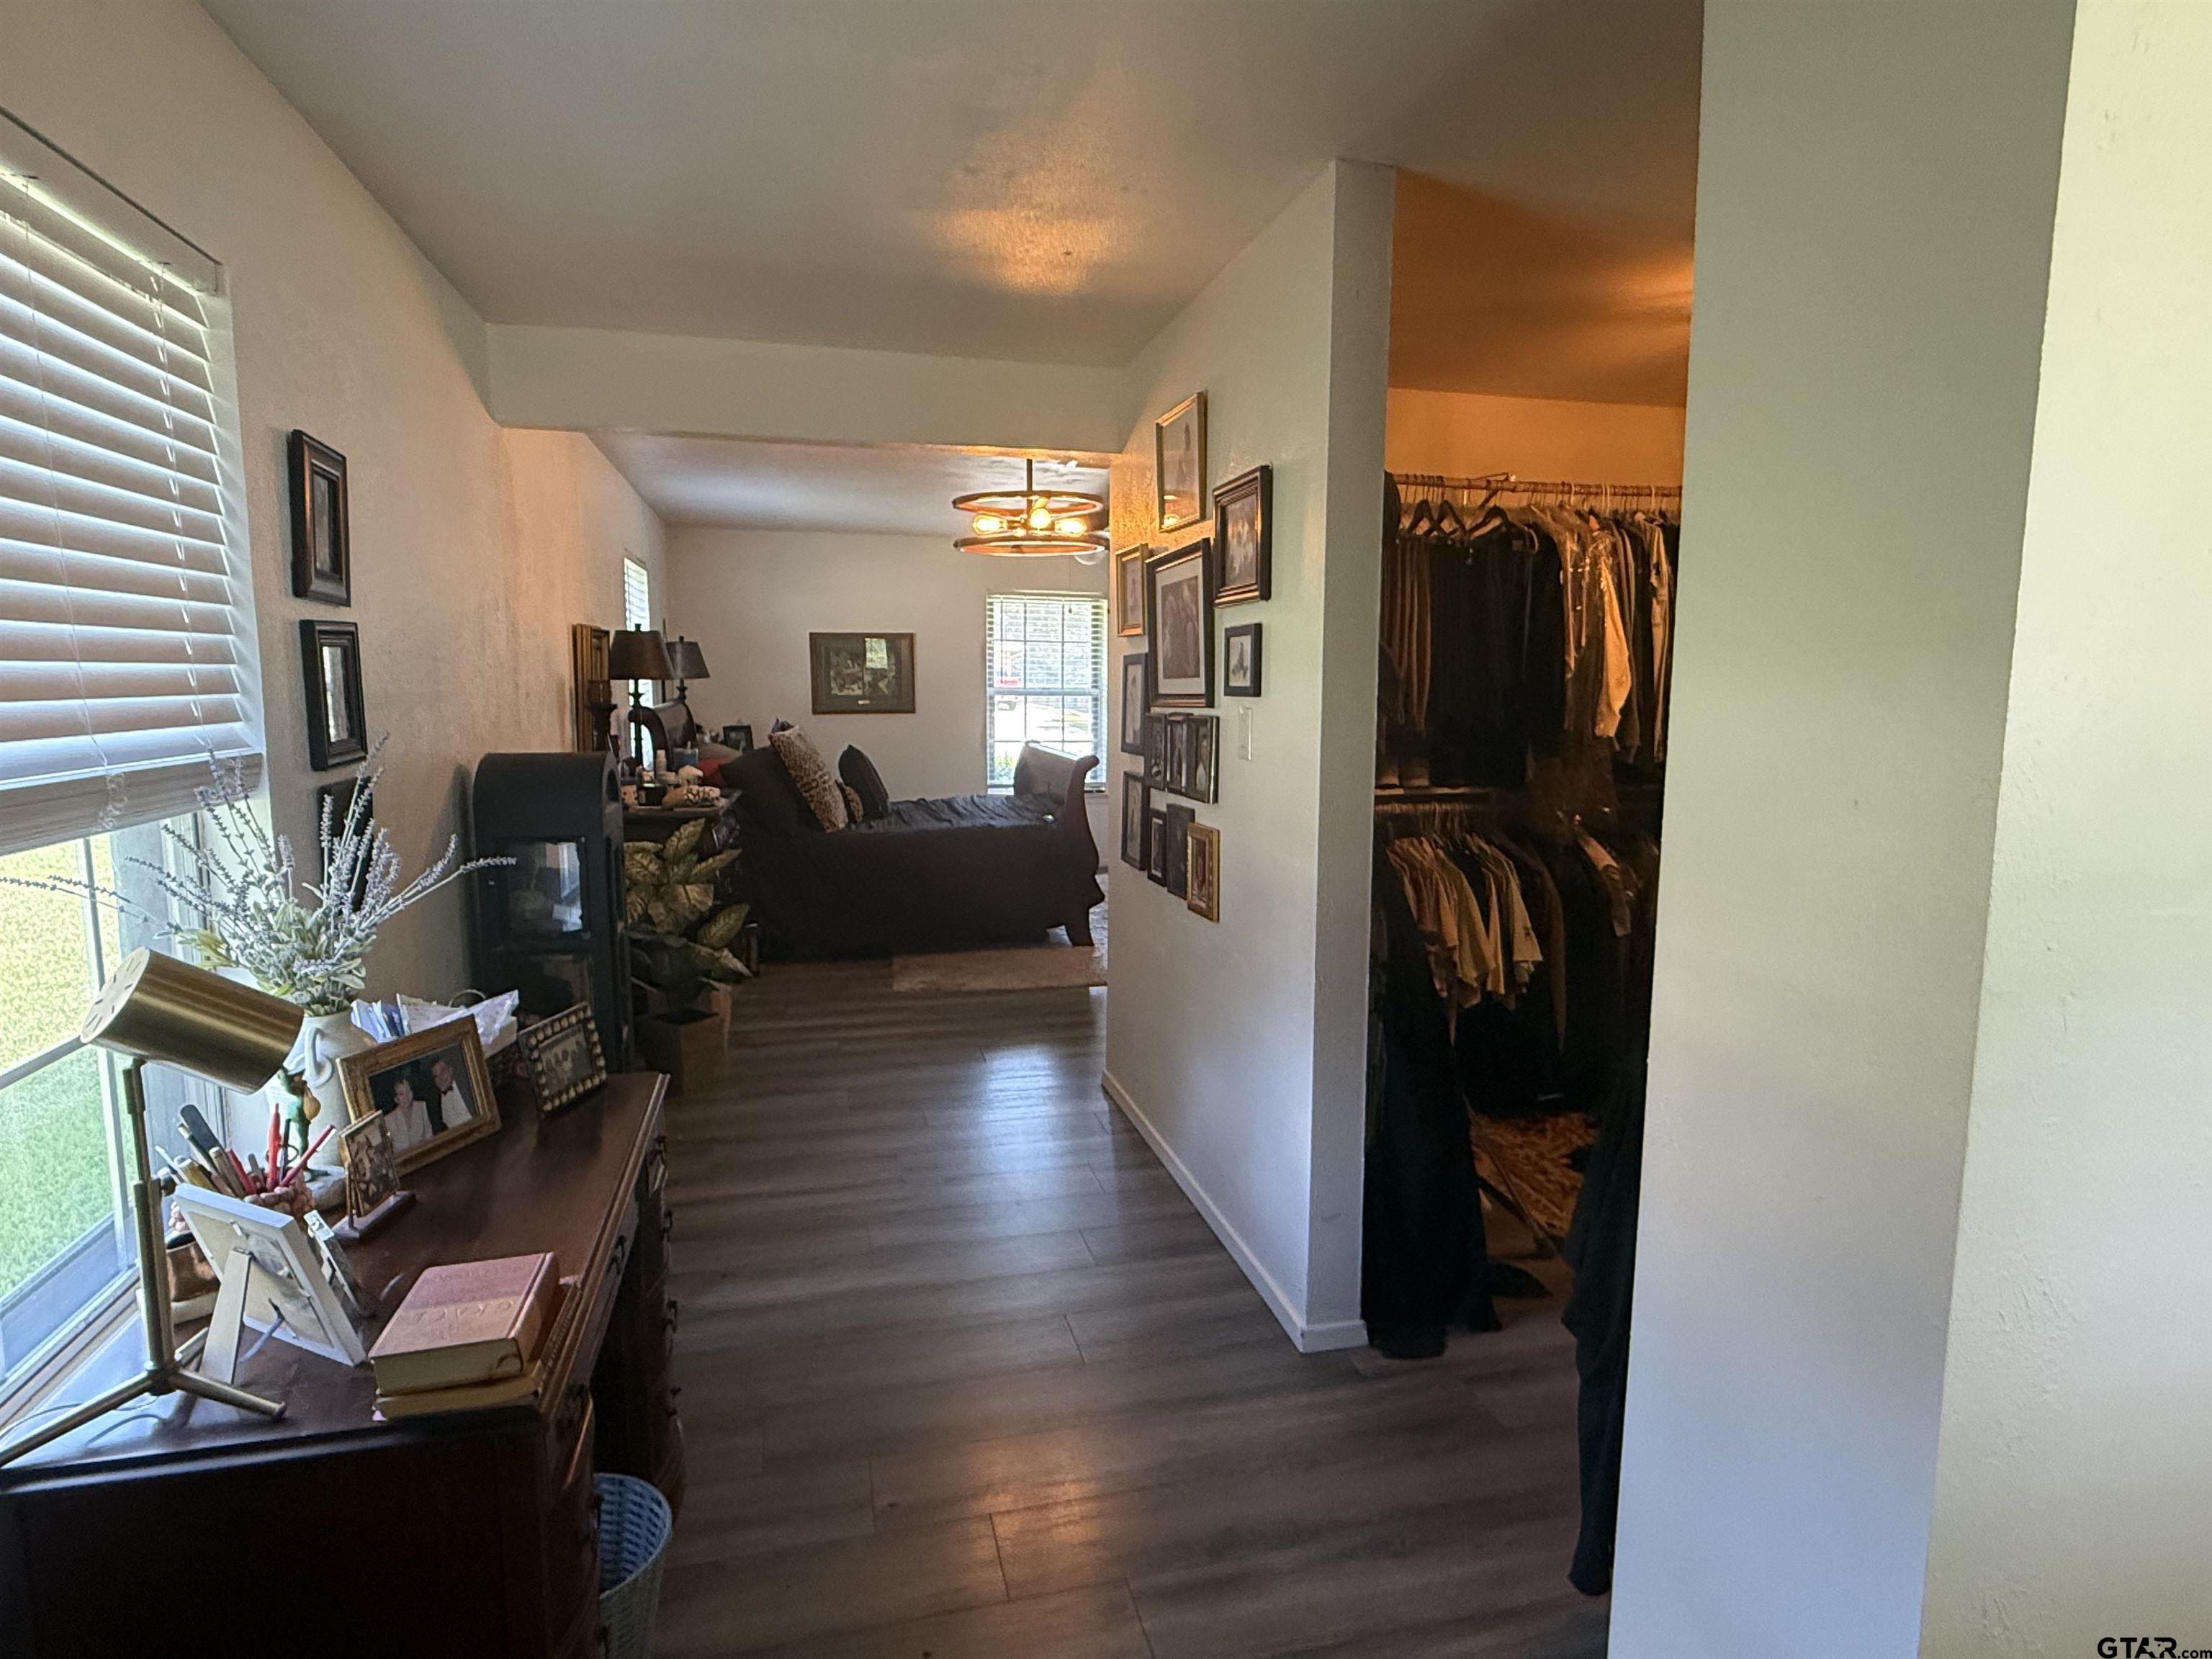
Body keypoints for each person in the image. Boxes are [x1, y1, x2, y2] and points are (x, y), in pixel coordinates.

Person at [385, 1071, 433, 1150]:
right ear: (396, 1099)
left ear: (412, 1092)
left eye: (408, 1091)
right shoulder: (388, 1120)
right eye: (401, 1094)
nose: (406, 1096)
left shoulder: (422, 1106)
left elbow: (429, 1135)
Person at [431, 1054, 475, 1133]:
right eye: (436, 1076)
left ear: (450, 1070)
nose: (440, 1078)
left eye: (442, 1072)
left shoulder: (466, 1087)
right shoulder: (437, 1102)